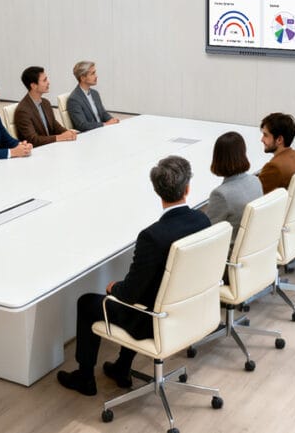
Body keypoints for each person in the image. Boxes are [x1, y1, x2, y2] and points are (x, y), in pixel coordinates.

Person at [56, 156, 210, 396]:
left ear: (157, 192)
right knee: (148, 294)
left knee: (87, 302)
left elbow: (129, 294)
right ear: (187, 188)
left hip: (154, 320)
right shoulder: (203, 220)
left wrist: (113, 287)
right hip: (191, 310)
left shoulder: (152, 237)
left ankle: (85, 377)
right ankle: (122, 367)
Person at [206, 131, 262, 245]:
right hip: (253, 246)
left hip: (229, 252)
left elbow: (208, 232)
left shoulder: (220, 195)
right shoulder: (256, 181)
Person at [14, 66, 77, 147]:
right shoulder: (23, 110)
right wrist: (59, 137)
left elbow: (55, 125)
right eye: (44, 80)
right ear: (33, 85)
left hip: (50, 147)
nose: (48, 82)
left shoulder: (45, 103)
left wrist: (67, 132)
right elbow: (33, 139)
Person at [257, 113, 295, 194]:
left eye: (265, 135)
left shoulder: (273, 167)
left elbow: (255, 195)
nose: (262, 139)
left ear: (279, 139)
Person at [66, 60, 118, 132]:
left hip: (102, 130)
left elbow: (103, 113)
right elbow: (82, 125)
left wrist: (111, 119)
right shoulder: (74, 99)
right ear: (83, 78)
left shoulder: (95, 93)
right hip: (90, 135)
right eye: (92, 73)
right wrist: (105, 124)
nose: (96, 76)